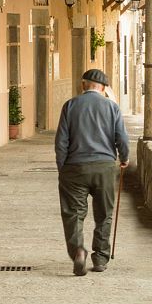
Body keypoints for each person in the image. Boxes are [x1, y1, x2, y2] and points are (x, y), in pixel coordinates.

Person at [55, 69, 129, 276]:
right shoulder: (112, 107)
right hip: (104, 167)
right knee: (104, 214)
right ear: (104, 88)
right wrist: (124, 158)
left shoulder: (70, 106)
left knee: (73, 214)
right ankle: (100, 258)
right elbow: (121, 138)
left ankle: (78, 251)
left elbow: (61, 142)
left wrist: (63, 168)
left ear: (83, 85)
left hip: (74, 167)